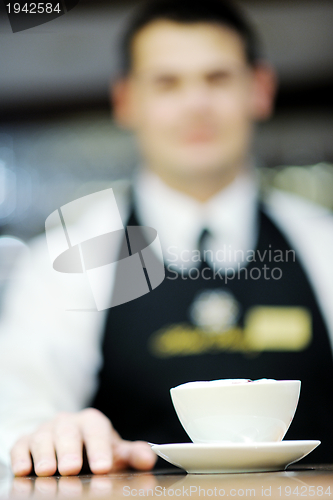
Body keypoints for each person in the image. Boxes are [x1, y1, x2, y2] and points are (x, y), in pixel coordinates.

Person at [1, 0, 333, 478]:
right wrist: (47, 434)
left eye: (217, 78)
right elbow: (19, 397)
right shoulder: (71, 256)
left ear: (259, 90)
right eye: (167, 82)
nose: (195, 104)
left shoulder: (319, 243)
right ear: (126, 101)